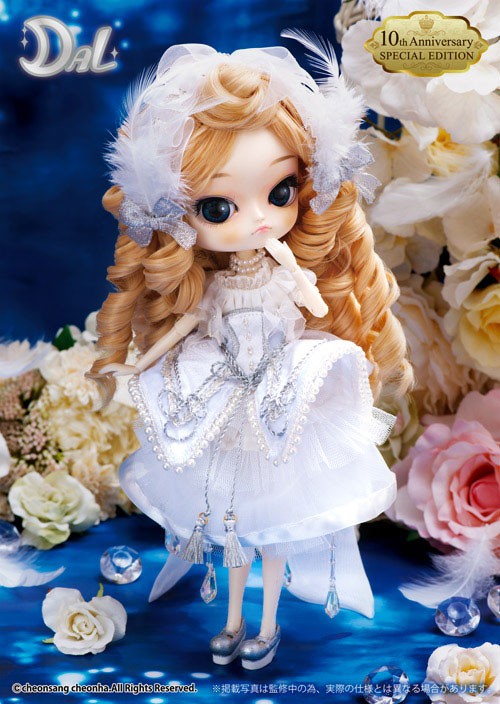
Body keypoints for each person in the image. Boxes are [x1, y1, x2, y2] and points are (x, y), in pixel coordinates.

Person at [88, 35, 412, 670]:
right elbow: (185, 326)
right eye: (218, 207)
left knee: (275, 526)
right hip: (225, 396)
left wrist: (301, 282)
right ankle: (234, 619)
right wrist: (140, 362)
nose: (258, 219)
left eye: (280, 192)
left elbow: (312, 307)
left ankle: (266, 624)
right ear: (179, 215)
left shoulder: (284, 271)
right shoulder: (211, 287)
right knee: (232, 520)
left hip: (283, 395)